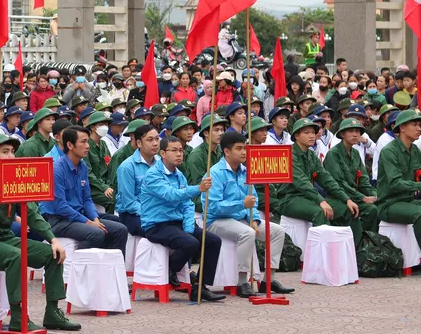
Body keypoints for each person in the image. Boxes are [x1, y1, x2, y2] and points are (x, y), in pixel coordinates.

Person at [0, 134, 79, 331]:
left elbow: (32, 213)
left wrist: (52, 239)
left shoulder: (14, 177)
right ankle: (18, 316)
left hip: (6, 238)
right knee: (16, 256)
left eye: (13, 152)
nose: (12, 157)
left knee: (52, 254)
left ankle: (53, 312)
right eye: (6, 152)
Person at [206, 130, 293, 298]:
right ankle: (242, 282)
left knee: (277, 231)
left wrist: (253, 217)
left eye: (245, 148)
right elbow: (212, 207)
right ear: (227, 151)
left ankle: (268, 280)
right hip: (217, 221)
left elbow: (254, 200)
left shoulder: (247, 171)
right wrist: (241, 205)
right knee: (247, 233)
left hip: (241, 219)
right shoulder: (215, 173)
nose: (244, 152)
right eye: (239, 148)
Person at [141, 136, 224, 302]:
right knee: (191, 243)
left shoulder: (179, 175)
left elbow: (187, 205)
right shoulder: (153, 175)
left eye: (181, 150)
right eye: (174, 150)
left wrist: (188, 228)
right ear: (162, 153)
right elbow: (171, 196)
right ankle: (170, 269)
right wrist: (198, 188)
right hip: (157, 224)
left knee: (213, 241)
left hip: (177, 223)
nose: (179, 154)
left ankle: (200, 286)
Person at [43, 125, 129, 256]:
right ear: (70, 145)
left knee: (120, 229)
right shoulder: (57, 169)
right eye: (83, 142)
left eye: (87, 141)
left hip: (79, 215)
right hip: (59, 221)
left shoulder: (82, 165)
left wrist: (95, 218)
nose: (88, 146)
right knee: (96, 234)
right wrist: (88, 222)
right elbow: (61, 206)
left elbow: (87, 199)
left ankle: (109, 271)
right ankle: (77, 268)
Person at [277, 118, 363, 245]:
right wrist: (321, 201)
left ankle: (355, 252)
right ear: (296, 136)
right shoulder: (289, 154)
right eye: (306, 133)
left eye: (313, 132)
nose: (312, 136)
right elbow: (302, 183)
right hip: (289, 199)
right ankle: (322, 256)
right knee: (319, 212)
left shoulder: (311, 155)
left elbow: (327, 179)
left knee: (348, 209)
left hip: (309, 198)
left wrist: (347, 199)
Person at [323, 118, 380, 236]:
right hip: (337, 198)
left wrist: (376, 195)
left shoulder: (355, 153)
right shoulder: (333, 154)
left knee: (375, 208)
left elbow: (363, 180)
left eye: (358, 131)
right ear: (342, 134)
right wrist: (363, 198)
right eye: (351, 131)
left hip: (354, 197)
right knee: (360, 210)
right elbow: (339, 183)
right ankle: (356, 243)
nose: (355, 134)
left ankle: (368, 240)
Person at [376, 109, 421, 250]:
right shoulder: (390, 151)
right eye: (414, 124)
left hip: (408, 201)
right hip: (389, 203)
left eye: (420, 125)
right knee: (420, 214)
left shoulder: (415, 150)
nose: (419, 128)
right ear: (402, 128)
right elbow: (395, 184)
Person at [183, 115, 227, 185]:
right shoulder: (197, 155)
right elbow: (199, 183)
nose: (220, 133)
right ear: (206, 133)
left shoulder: (223, 151)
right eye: (216, 130)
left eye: (222, 130)